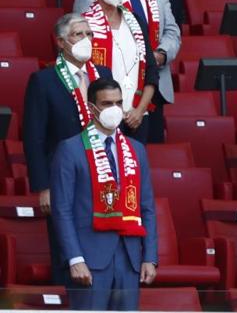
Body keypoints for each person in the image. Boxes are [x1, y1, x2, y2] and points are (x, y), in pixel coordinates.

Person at [50, 78, 157, 310]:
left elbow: (146, 206)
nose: (115, 109)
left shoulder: (136, 149)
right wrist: (74, 258)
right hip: (89, 259)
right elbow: (62, 210)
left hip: (129, 259)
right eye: (108, 104)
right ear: (92, 108)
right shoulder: (70, 149)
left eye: (119, 103)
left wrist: (149, 256)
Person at [23, 14, 113, 285]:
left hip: (101, 173)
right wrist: (43, 186)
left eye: (89, 34)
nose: (86, 39)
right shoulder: (44, 80)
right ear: (61, 42)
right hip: (62, 176)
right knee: (66, 248)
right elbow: (34, 137)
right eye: (78, 34)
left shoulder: (104, 75)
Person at [76, 0, 180, 143]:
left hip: (151, 90)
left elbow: (172, 31)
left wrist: (160, 54)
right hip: (105, 96)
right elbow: (82, 36)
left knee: (145, 159)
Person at [82, 0, 160, 143]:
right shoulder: (84, 24)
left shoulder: (135, 21)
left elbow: (151, 69)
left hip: (137, 116)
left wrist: (140, 110)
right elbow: (82, 75)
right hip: (101, 116)